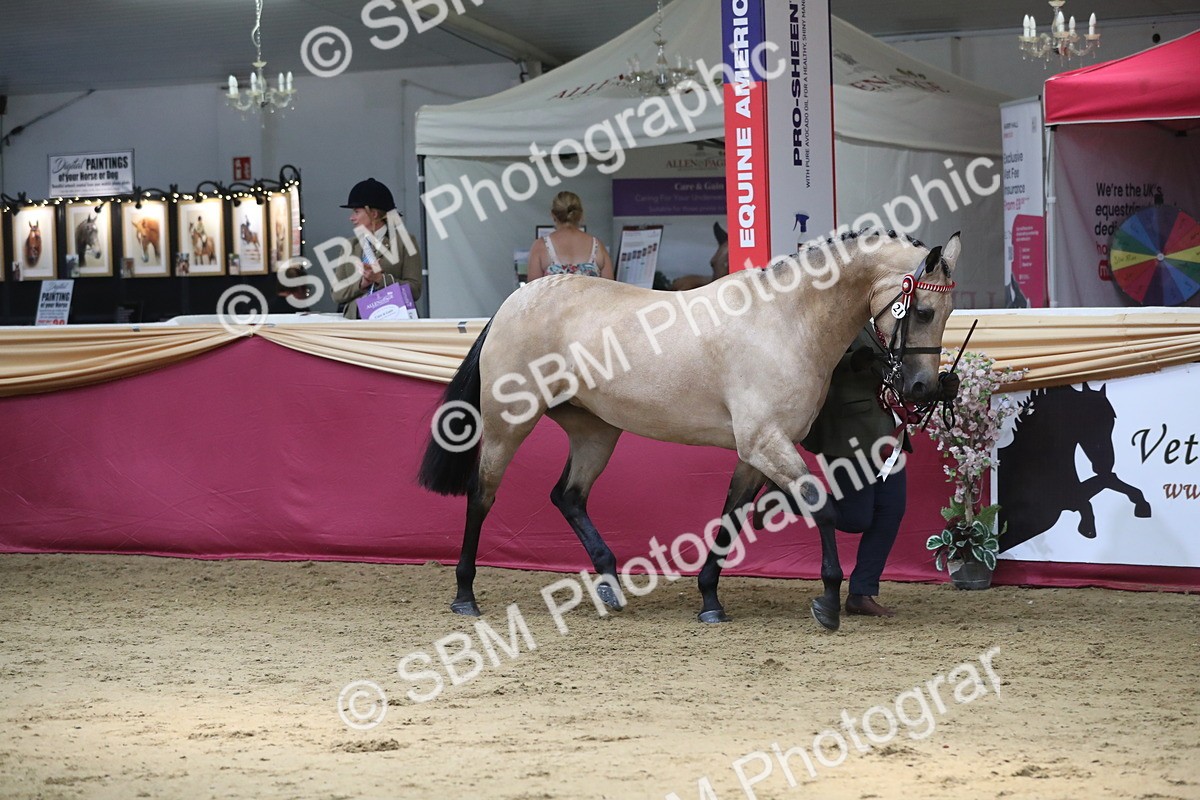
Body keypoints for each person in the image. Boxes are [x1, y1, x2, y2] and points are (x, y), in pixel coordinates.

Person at [784, 326, 960, 617]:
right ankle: (785, 497)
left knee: (891, 510)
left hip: (886, 431)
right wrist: (851, 363)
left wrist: (940, 389)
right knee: (856, 517)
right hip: (847, 429)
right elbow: (810, 360)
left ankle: (861, 592)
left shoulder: (895, 326)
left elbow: (905, 375)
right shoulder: (841, 313)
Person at [332, 178, 422, 319]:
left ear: (373, 214)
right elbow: (336, 294)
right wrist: (362, 284)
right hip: (356, 323)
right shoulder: (349, 246)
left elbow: (415, 290)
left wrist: (381, 279)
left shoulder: (404, 242)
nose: (351, 218)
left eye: (356, 212)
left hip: (393, 321)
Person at [526, 191, 614, 281]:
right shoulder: (597, 246)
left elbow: (533, 292)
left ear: (553, 215)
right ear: (580, 215)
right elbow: (611, 291)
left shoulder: (541, 246)